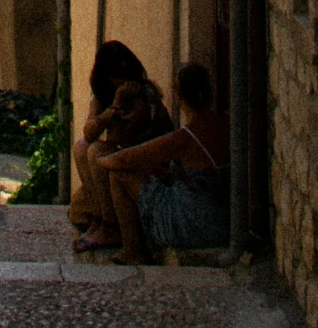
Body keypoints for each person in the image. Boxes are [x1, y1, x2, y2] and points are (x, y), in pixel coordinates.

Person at [93, 60, 229, 263]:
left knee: (119, 176)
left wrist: (100, 161)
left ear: (178, 95)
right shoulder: (221, 125)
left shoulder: (185, 137)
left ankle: (132, 251)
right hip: (222, 220)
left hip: (191, 224)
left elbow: (126, 159)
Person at [68, 40, 172, 240]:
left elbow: (122, 139)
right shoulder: (104, 94)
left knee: (96, 152)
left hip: (146, 161)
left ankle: (111, 225)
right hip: (123, 153)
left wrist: (120, 106)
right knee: (83, 147)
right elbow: (89, 132)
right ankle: (100, 218)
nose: (123, 81)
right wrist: (113, 108)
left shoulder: (143, 96)